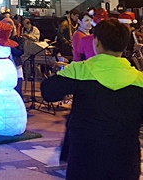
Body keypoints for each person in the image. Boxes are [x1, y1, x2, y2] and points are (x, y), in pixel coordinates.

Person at [41, 19, 143, 180]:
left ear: (97, 42)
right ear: (124, 45)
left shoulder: (79, 70)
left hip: (85, 155)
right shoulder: (139, 79)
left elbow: (48, 92)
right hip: (126, 157)